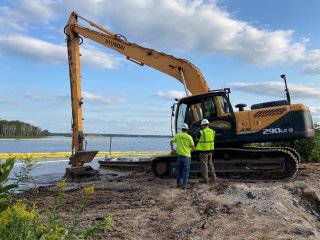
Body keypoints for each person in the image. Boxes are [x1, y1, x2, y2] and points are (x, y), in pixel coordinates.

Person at [170, 123, 195, 189]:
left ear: (182, 129)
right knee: (186, 171)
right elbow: (192, 146)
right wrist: (190, 149)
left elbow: (171, 141)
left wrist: (173, 149)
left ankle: (178, 184)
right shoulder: (189, 137)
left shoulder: (178, 135)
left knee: (179, 170)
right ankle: (184, 186)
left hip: (179, 155)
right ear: (187, 130)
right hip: (187, 156)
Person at [196, 118, 217, 183]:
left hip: (203, 151)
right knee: (210, 163)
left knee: (204, 165)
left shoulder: (201, 132)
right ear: (207, 124)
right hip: (211, 150)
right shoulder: (213, 131)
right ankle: (214, 178)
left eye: (202, 125)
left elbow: (197, 139)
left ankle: (206, 179)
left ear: (203, 125)